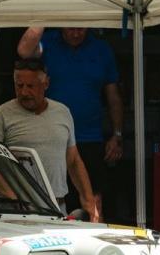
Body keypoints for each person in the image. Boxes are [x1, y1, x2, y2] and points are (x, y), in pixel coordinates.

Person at [17, 27, 123, 217]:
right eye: (71, 29)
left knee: (93, 198)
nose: (76, 34)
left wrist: (117, 134)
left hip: (89, 136)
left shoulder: (101, 48)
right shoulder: (48, 42)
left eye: (81, 29)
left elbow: (113, 96)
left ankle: (94, 238)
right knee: (52, 195)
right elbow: (24, 51)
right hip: (52, 136)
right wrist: (46, 17)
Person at [0, 58, 101, 223]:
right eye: (19, 85)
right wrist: (11, 195)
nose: (24, 92)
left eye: (30, 86)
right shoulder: (2, 114)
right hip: (15, 212)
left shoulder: (62, 112)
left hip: (57, 207)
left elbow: (73, 161)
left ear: (46, 84)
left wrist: (88, 200)